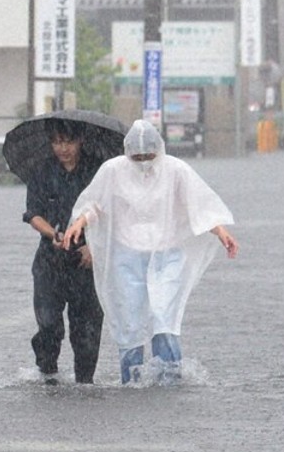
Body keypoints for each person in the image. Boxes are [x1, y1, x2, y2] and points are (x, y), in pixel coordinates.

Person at [63, 119, 239, 385]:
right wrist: (79, 222)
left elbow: (198, 205)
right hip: (126, 254)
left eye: (149, 156)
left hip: (166, 254)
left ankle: (169, 376)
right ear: (127, 152)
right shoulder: (113, 170)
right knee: (129, 318)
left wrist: (221, 231)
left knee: (163, 314)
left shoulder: (176, 170)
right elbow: (95, 202)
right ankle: (132, 378)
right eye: (138, 157)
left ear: (159, 150)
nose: (144, 162)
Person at [21, 119, 104, 384]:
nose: (63, 148)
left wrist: (94, 246)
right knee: (47, 323)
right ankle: (48, 374)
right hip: (50, 258)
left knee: (87, 329)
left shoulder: (98, 171)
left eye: (68, 141)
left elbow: (109, 211)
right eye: (57, 142)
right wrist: (52, 234)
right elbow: (33, 213)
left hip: (87, 260)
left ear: (80, 140)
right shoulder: (42, 171)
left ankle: (85, 381)